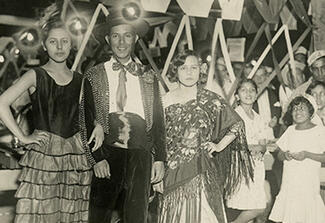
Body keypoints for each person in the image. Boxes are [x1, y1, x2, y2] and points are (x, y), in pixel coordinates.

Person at [0, 13, 104, 222]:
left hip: (75, 156)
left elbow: (89, 114)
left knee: (71, 213)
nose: (59, 46)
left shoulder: (81, 80)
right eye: (53, 41)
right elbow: (2, 103)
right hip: (45, 156)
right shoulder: (35, 75)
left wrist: (99, 124)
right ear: (44, 46)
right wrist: (24, 137)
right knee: (43, 213)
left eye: (64, 41)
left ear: (71, 45)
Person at [84, 5, 166, 223]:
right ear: (108, 40)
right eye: (115, 36)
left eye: (127, 36)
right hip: (108, 153)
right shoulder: (94, 75)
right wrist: (96, 159)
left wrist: (159, 159)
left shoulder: (149, 76)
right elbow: (86, 118)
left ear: (136, 39)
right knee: (100, 215)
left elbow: (158, 121)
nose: (121, 42)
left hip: (140, 152)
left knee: (137, 215)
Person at [159, 50, 253, 223]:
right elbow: (157, 138)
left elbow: (237, 124)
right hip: (171, 170)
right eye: (183, 68)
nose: (189, 73)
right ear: (175, 70)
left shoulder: (210, 99)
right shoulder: (165, 100)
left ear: (201, 70)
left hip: (201, 169)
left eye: (193, 68)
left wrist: (219, 146)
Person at [269, 95, 325, 223]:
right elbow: (279, 154)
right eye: (294, 109)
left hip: (308, 184)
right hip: (290, 183)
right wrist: (285, 155)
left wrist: (307, 154)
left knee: (308, 215)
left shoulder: (320, 131)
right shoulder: (290, 130)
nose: (298, 112)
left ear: (311, 112)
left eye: (302, 108)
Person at [227, 79, 268, 223]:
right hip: (241, 167)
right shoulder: (233, 116)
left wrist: (257, 148)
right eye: (243, 90)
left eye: (252, 90)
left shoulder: (259, 118)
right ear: (237, 96)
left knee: (250, 209)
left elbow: (263, 145)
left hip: (257, 167)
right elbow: (230, 144)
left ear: (257, 95)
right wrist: (253, 147)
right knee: (257, 207)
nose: (248, 93)